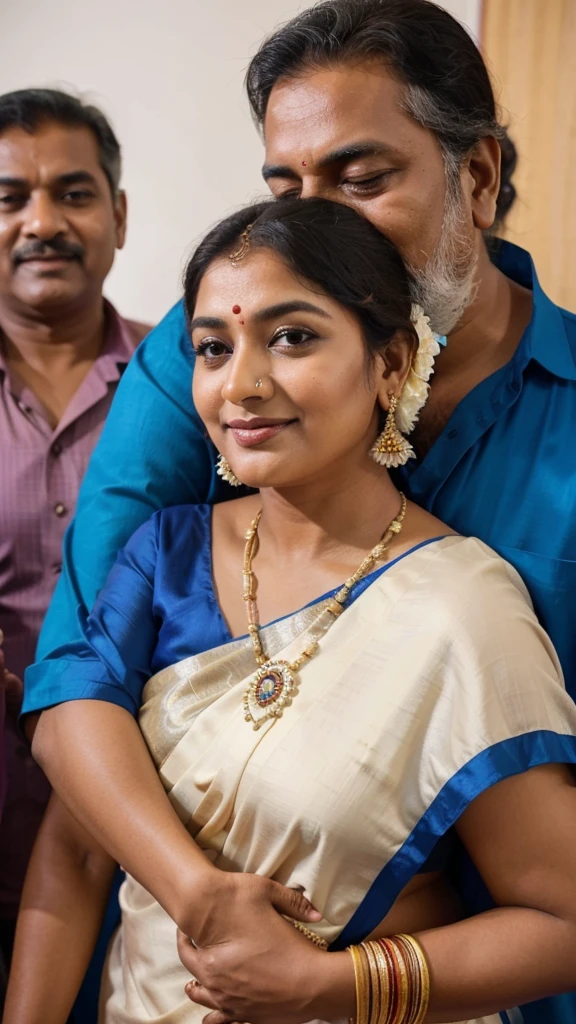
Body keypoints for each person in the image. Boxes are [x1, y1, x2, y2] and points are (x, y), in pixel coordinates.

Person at [23, 1, 576, 1021]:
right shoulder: (194, 410)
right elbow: (77, 680)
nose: (313, 223)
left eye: (362, 181)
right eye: (286, 187)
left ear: (480, 179)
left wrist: (331, 980)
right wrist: (201, 898)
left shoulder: (478, 583)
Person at [0, 86, 149, 976]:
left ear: (120, 215)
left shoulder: (194, 388)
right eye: (8, 198)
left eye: (75, 192)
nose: (41, 222)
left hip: (141, 850)